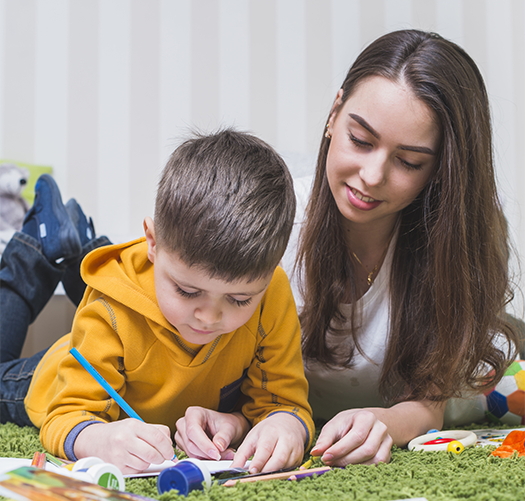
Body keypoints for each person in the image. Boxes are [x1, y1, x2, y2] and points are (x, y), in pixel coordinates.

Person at [0, 129, 314, 475]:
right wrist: (98, 438)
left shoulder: (272, 291)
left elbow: (283, 403)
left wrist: (281, 423)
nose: (208, 317)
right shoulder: (108, 309)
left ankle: (76, 245)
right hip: (51, 374)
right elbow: (65, 415)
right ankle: (33, 249)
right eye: (187, 291)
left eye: (239, 300)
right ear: (152, 242)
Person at [282, 29, 519, 467]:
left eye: (409, 162)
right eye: (361, 140)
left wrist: (384, 423)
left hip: (465, 387)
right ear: (335, 114)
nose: (372, 176)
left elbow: (428, 408)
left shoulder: (457, 249)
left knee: (502, 374)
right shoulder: (275, 222)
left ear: (440, 171)